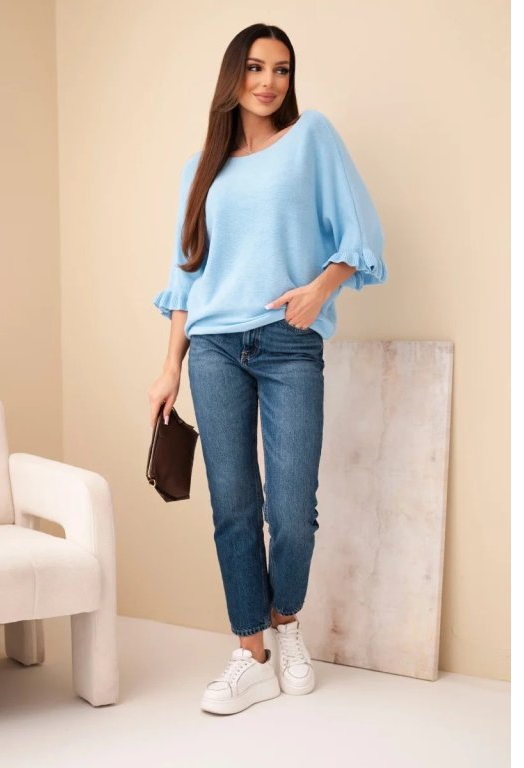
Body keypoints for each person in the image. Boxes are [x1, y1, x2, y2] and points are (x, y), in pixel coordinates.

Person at [147, 23, 387, 716]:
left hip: (289, 343)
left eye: (281, 69)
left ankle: (287, 624)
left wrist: (319, 290)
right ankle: (250, 653)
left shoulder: (312, 138)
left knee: (291, 512)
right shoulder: (201, 170)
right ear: (234, 75)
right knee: (233, 508)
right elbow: (186, 278)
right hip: (214, 349)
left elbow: (361, 236)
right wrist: (169, 368)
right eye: (255, 67)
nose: (268, 82)